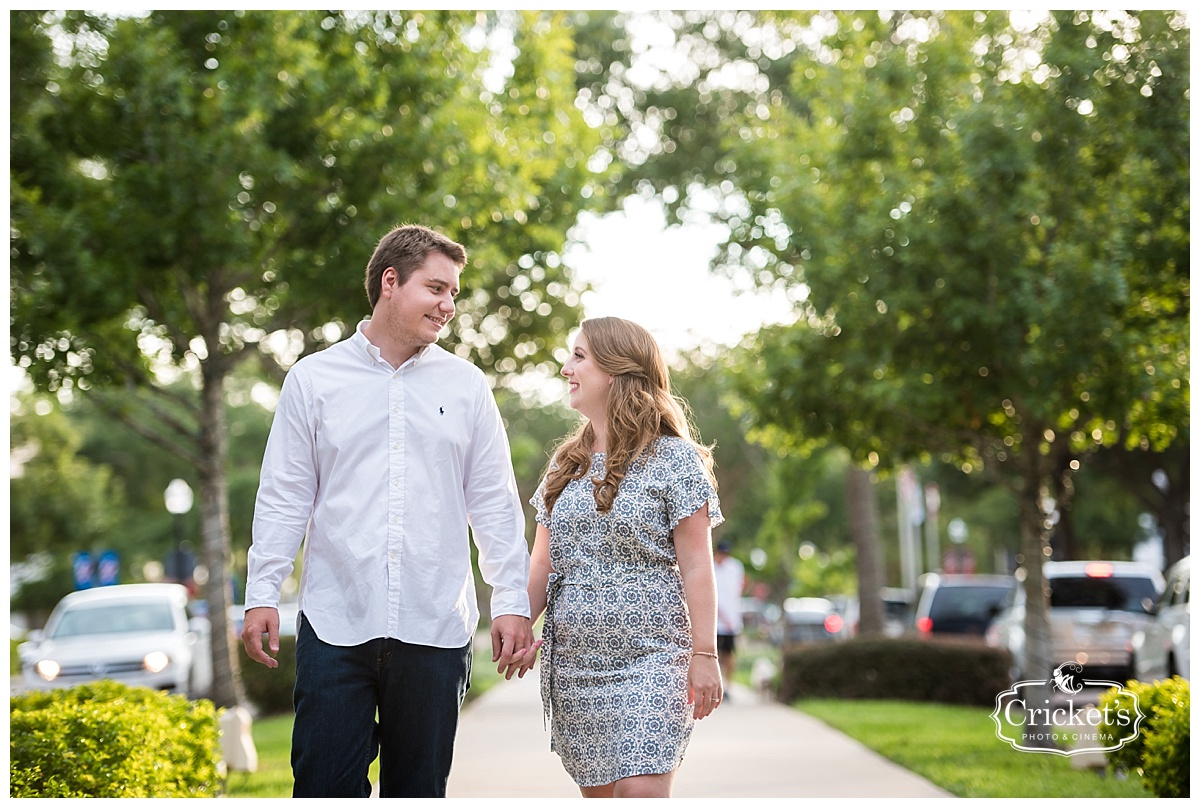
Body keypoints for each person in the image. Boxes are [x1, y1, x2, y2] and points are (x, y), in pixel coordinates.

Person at [241, 224, 534, 798]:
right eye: (436, 288)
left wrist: (512, 602)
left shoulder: (468, 385)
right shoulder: (313, 380)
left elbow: (494, 503)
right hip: (335, 625)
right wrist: (262, 592)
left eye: (454, 293)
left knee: (418, 791)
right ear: (390, 282)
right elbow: (284, 494)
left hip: (434, 625)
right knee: (323, 789)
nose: (448, 305)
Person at [509, 316, 725, 799]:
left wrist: (705, 655)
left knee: (641, 791)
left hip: (653, 659)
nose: (566, 367)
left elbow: (696, 566)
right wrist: (520, 623)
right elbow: (543, 563)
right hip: (575, 669)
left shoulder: (675, 459)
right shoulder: (566, 464)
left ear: (617, 369)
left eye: (579, 356)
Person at [712, 541, 745, 688]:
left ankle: (728, 686)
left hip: (731, 621)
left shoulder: (735, 567)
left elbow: (739, 588)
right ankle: (717, 685)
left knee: (729, 655)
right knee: (715, 655)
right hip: (714, 621)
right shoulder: (710, 566)